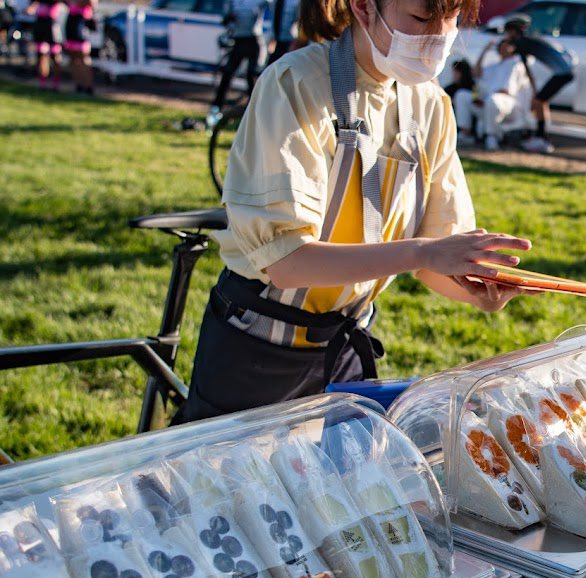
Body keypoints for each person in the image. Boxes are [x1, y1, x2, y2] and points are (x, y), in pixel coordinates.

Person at [175, 0, 535, 424]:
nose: (438, 37)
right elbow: (287, 263)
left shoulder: (431, 106)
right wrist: (421, 252)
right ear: (365, 7)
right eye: (421, 20)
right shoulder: (296, 85)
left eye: (451, 20)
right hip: (256, 351)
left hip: (343, 351)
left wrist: (478, 292)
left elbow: (437, 262)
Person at [501, 13, 575, 154]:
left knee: (538, 101)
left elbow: (527, 69)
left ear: (513, 31)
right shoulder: (531, 39)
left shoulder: (521, 43)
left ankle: (542, 138)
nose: (506, 35)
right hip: (565, 73)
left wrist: (534, 90)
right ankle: (542, 135)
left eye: (507, 32)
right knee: (541, 101)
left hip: (562, 74)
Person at [453, 38, 530, 150]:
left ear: (513, 48)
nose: (503, 48)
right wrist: (485, 50)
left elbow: (506, 90)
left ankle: (491, 136)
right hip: (487, 102)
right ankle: (465, 133)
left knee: (493, 100)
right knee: (462, 95)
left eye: (506, 45)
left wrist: (485, 98)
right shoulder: (494, 66)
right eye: (501, 45)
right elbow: (475, 73)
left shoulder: (516, 64)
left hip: (508, 104)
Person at [207, 0, 270, 127]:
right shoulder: (233, 2)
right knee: (227, 73)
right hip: (238, 41)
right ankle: (216, 108)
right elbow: (225, 20)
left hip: (254, 40)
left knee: (251, 75)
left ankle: (255, 110)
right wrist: (230, 18)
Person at [28, 0, 64, 89]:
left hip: (52, 25)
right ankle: (43, 83)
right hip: (40, 24)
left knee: (55, 56)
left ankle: (56, 83)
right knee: (42, 55)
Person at [63, 0, 96, 94]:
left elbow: (92, 3)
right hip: (72, 21)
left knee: (84, 57)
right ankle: (79, 85)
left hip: (81, 22)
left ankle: (88, 86)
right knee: (73, 58)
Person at [267, 0, 300, 64]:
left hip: (290, 41)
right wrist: (272, 37)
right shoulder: (275, 2)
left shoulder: (296, 2)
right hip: (276, 40)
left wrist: (296, 41)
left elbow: (298, 21)